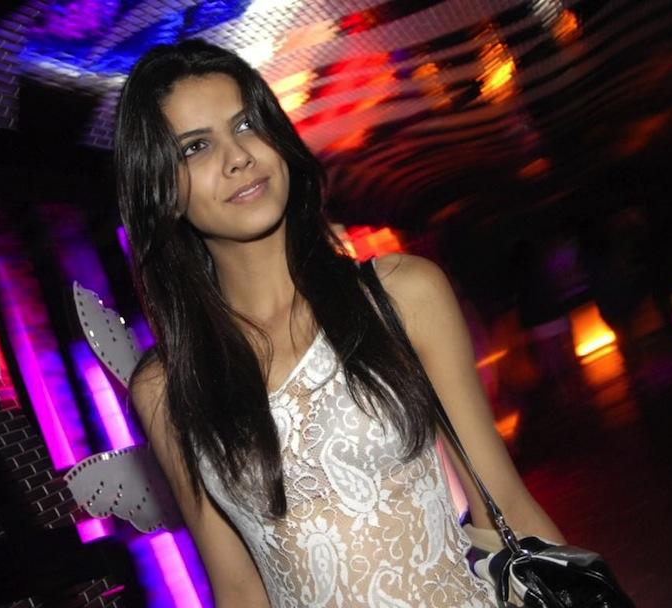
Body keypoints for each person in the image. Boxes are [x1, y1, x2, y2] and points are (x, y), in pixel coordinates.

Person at [114, 39, 563, 607]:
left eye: (247, 124)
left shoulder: (402, 295)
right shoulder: (168, 388)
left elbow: (505, 505)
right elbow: (237, 588)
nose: (238, 156)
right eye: (196, 147)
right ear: (161, 190)